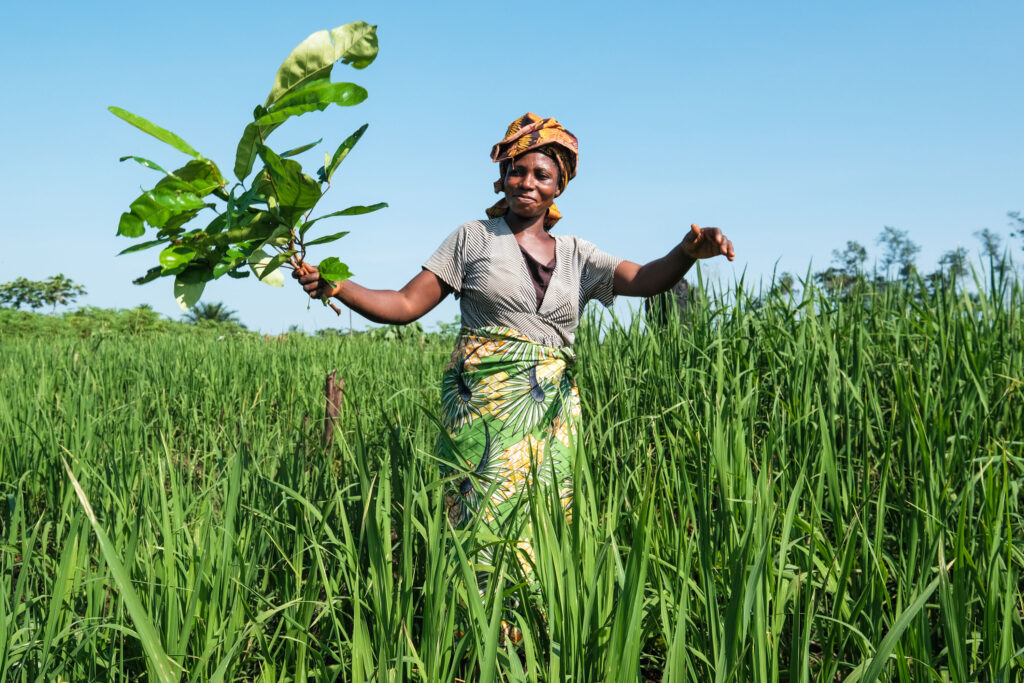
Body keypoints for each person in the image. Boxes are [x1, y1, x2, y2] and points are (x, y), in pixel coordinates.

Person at [295, 112, 734, 633]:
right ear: (502, 176)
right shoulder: (473, 239)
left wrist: (688, 252)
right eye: (517, 171)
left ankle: (534, 635)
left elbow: (645, 279)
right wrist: (336, 286)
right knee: (479, 515)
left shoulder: (578, 255)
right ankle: (470, 635)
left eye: (541, 175)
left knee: (545, 516)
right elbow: (405, 303)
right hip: (482, 403)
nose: (527, 182)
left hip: (550, 410)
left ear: (558, 186)